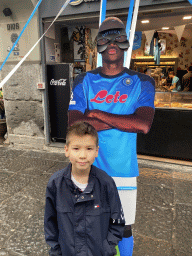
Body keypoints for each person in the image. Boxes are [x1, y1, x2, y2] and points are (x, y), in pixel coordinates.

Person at [68, 17, 155, 256]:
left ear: (126, 41)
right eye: (105, 36)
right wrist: (122, 121)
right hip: (88, 169)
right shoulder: (84, 80)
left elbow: (142, 124)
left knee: (123, 228)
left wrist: (94, 113)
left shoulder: (143, 82)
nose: (112, 42)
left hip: (124, 169)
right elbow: (75, 125)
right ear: (98, 45)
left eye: (118, 35)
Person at [44, 121, 125, 256]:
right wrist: (57, 251)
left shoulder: (106, 183)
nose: (82, 155)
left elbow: (117, 221)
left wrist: (107, 248)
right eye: (76, 148)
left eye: (89, 148)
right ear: (66, 150)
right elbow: (50, 223)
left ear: (96, 151)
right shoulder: (55, 184)